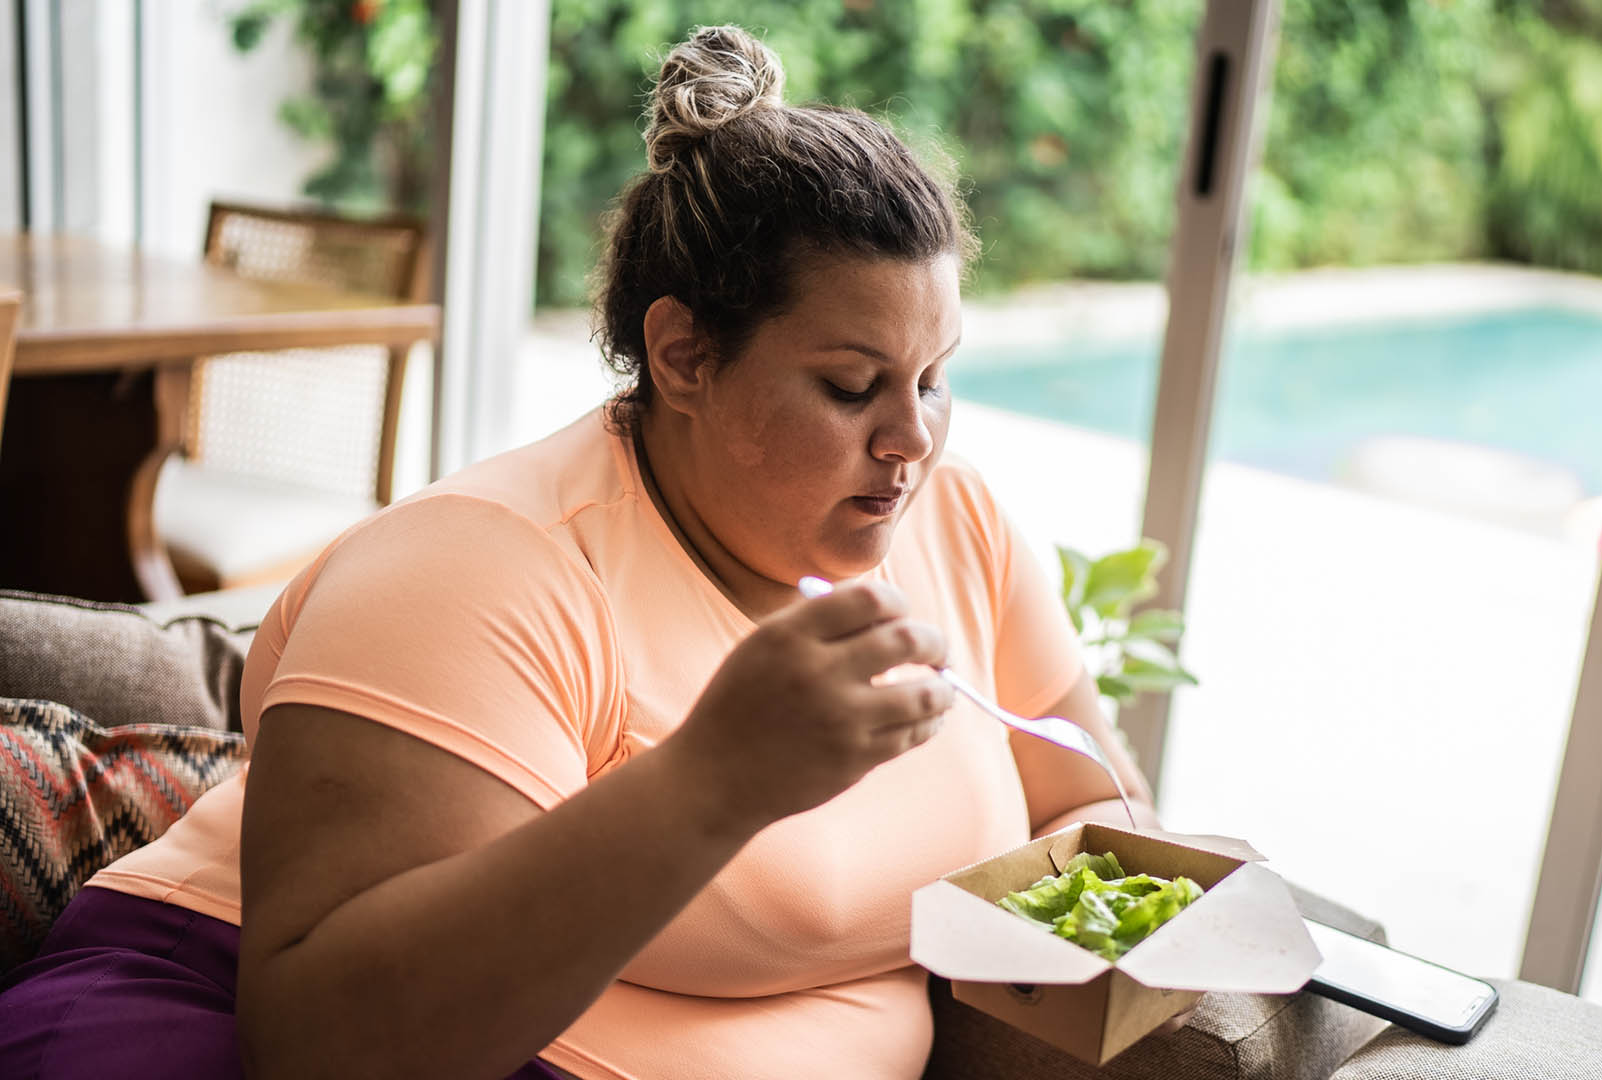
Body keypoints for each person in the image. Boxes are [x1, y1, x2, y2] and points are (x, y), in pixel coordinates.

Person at [0, 25, 1154, 1080]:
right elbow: (320, 1038)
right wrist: (716, 781)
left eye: (935, 376)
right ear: (684, 357)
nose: (914, 438)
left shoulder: (961, 529)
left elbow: (1090, 807)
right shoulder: (486, 567)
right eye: (851, 386)